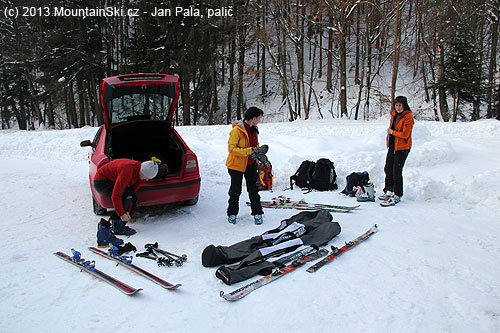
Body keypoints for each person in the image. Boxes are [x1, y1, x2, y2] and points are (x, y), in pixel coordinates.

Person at [93, 159, 159, 235]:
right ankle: (117, 227)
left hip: (112, 180)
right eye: (146, 177)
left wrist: (127, 210)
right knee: (126, 196)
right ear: (142, 172)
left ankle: (121, 223)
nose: (146, 180)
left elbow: (133, 192)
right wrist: (122, 213)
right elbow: (116, 195)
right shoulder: (127, 171)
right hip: (101, 181)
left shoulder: (140, 170)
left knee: (131, 197)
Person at [226, 107, 267, 224]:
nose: (259, 121)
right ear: (253, 118)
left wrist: (258, 154)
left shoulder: (255, 129)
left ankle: (257, 213)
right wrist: (249, 151)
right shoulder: (237, 130)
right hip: (236, 166)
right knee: (235, 191)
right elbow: (231, 149)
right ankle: (232, 214)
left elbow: (254, 145)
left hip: (250, 165)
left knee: (253, 190)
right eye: (259, 118)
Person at [379, 96, 414, 207]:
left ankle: (397, 194)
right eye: (396, 105)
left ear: (404, 105)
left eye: (400, 105)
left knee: (396, 171)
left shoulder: (408, 117)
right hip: (393, 146)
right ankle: (389, 190)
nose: (398, 107)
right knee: (388, 168)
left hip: (402, 148)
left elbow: (405, 134)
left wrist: (392, 132)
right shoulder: (394, 115)